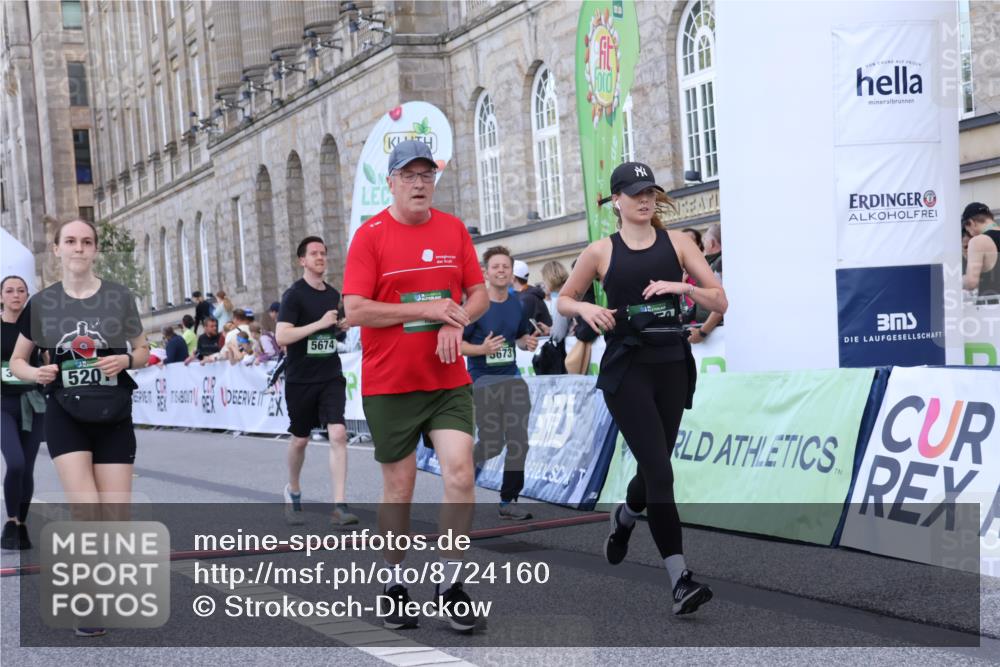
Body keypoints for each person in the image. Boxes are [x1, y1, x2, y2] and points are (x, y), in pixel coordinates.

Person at [558, 162, 727, 616]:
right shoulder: (600, 251)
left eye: (650, 191)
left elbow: (720, 299)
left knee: (657, 468)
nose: (645, 199)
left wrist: (679, 285)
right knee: (659, 469)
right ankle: (680, 579)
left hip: (671, 364)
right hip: (628, 369)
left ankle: (626, 516)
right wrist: (587, 311)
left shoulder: (677, 243)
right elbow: (564, 298)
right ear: (617, 200)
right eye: (635, 193)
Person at [343, 140, 489, 633]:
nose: (420, 183)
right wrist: (425, 310)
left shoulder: (451, 229)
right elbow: (356, 310)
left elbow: (478, 292)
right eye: (409, 175)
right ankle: (393, 584)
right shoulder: (370, 236)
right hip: (391, 384)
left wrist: (457, 321)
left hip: (447, 380)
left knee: (461, 475)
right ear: (391, 182)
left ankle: (451, 586)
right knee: (399, 489)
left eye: (427, 175)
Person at [10, 218, 149, 637]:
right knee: (87, 510)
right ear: (57, 250)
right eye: (70, 241)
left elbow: (143, 350)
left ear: (95, 249)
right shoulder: (42, 304)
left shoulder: (118, 297)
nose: (78, 248)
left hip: (113, 413)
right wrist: (39, 374)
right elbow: (18, 360)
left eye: (86, 241)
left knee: (116, 517)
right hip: (66, 413)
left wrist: (125, 360)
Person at [276, 236, 357, 527]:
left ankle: (340, 505)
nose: (320, 257)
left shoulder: (333, 294)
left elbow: (330, 333)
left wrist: (340, 327)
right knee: (300, 439)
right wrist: (320, 324)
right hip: (300, 379)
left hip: (330, 376)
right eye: (314, 254)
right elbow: (282, 337)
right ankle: (293, 490)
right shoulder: (293, 296)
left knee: (338, 434)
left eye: (323, 253)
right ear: (302, 260)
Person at [462, 246, 540, 521]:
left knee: (519, 440)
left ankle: (508, 500)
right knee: (493, 443)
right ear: (485, 272)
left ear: (511, 271)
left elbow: (518, 338)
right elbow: (457, 345)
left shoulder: (517, 304)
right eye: (495, 267)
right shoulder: (475, 306)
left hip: (511, 377)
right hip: (483, 380)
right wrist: (481, 350)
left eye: (505, 267)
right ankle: (462, 480)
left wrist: (527, 343)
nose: (501, 271)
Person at [1, 276, 45, 551]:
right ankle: (10, 520)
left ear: (27, 295)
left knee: (27, 468)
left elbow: (49, 360)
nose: (16, 295)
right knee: (15, 463)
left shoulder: (37, 329)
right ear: (1, 297)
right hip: (3, 404)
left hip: (33, 403)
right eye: (10, 291)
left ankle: (21, 524)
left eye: (21, 291)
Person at [688, 223, 722, 344]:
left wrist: (702, 333)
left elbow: (721, 304)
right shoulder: (711, 263)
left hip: (716, 336)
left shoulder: (720, 263)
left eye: (705, 240)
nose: (704, 244)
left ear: (712, 243)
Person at [962, 202, 999, 303]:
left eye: (967, 230)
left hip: (992, 311)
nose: (970, 234)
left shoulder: (978, 241)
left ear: (971, 223)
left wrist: (953, 281)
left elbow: (971, 282)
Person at [512, 260, 552, 331]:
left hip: (539, 340)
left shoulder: (527, 298)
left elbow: (524, 329)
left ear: (513, 277)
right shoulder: (526, 293)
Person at [541, 260, 571, 344]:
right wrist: (550, 329)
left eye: (544, 279)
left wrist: (551, 332)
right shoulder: (570, 291)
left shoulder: (561, 298)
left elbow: (558, 335)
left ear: (550, 278)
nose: (543, 283)